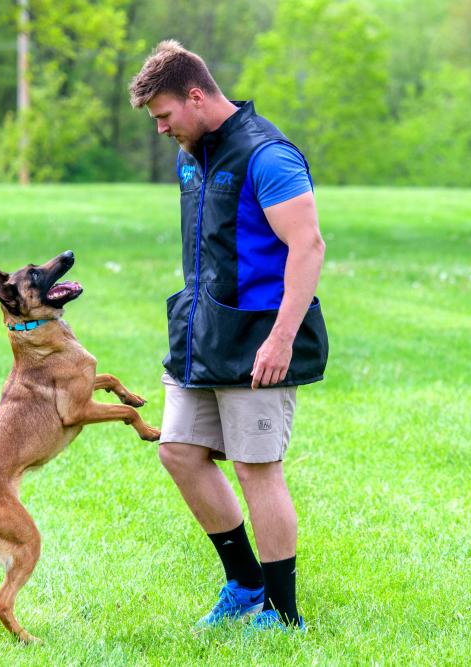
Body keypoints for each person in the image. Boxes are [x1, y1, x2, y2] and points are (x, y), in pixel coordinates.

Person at [129, 41, 329, 633]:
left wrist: (281, 339)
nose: (161, 129)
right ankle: (243, 584)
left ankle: (283, 612)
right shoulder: (191, 155)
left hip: (259, 340)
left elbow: (308, 247)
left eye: (165, 115)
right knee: (178, 452)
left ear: (197, 95)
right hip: (198, 336)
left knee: (255, 468)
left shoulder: (269, 155)